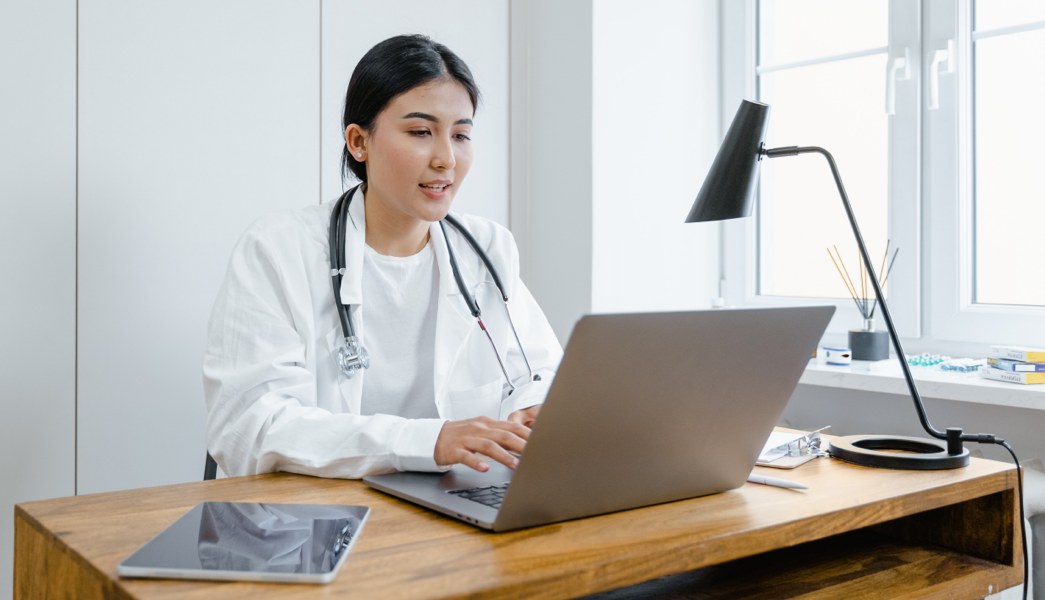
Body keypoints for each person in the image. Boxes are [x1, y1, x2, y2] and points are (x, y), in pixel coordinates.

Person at [203, 35, 562, 479]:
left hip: (450, 506)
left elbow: (537, 370)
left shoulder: (486, 249)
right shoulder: (278, 250)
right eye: (420, 132)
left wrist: (534, 408)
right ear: (359, 142)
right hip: (309, 522)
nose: (447, 158)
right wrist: (426, 441)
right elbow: (250, 427)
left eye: (461, 134)